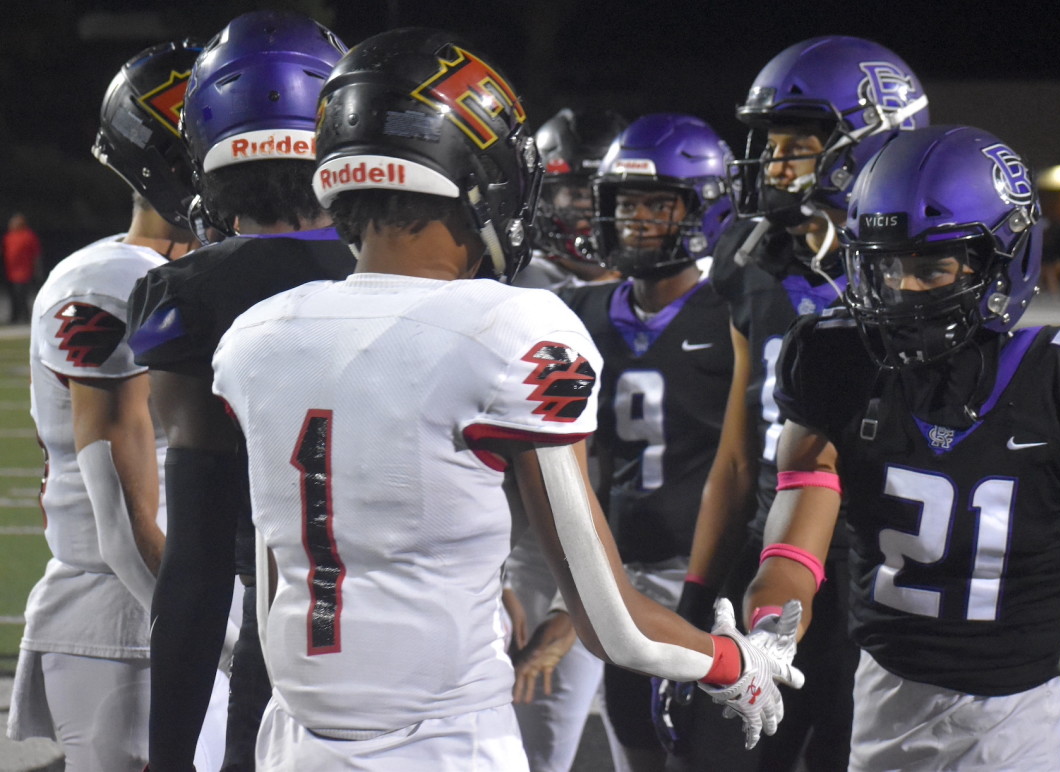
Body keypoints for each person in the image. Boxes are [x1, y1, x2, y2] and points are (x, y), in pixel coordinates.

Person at [209, 28, 802, 770]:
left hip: (293, 740)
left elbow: (275, 568)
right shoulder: (512, 326)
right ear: (473, 172)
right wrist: (732, 664)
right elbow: (612, 623)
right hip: (443, 743)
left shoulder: (256, 336)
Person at [750, 124, 1060, 772]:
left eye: (931, 264)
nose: (905, 288)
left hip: (1014, 733)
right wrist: (766, 636)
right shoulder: (836, 367)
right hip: (880, 712)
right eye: (887, 264)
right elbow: (791, 553)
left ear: (1001, 259)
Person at [668, 35, 929, 771]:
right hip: (772, 549)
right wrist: (696, 594)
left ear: (866, 143)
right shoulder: (754, 259)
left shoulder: (922, 269)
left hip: (886, 565)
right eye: (771, 144)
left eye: (795, 145)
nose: (772, 164)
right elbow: (737, 450)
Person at [124, 12, 352, 771]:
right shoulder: (425, 269)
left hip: (281, 637)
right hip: (436, 647)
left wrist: (168, 755)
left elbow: (197, 561)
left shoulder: (188, 293)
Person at [8, 40, 230, 771]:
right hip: (132, 620)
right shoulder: (107, 280)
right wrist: (228, 633)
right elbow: (125, 529)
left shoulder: (205, 272)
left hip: (181, 603)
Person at [555, 112, 737, 771]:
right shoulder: (579, 314)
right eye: (626, 204)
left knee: (709, 751)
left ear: (704, 208)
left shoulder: (736, 312)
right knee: (633, 741)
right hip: (620, 575)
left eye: (658, 203)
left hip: (708, 580)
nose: (636, 221)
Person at [506, 105, 627, 772]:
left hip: (643, 546)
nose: (584, 209)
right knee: (535, 750)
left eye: (597, 192)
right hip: (541, 546)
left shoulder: (668, 291)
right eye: (570, 190)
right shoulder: (518, 288)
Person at [514, 106, 626, 290]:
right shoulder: (525, 284)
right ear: (543, 199)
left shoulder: (660, 282)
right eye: (578, 195)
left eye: (607, 195)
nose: (593, 211)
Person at [4, 212, 42, 323]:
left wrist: (37, 270)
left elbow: (36, 255)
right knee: (13, 296)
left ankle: (25, 317)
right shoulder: (9, 236)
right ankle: (14, 317)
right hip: (10, 271)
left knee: (22, 296)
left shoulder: (29, 236)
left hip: (24, 271)